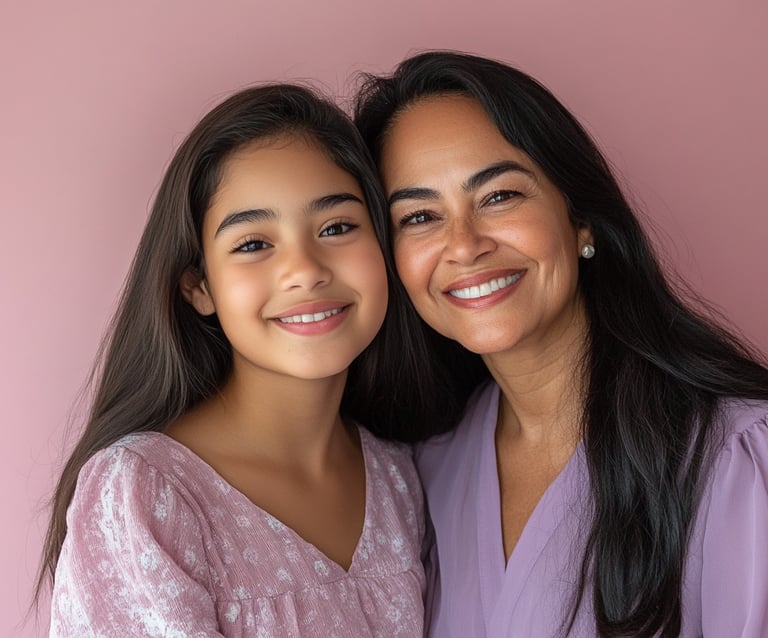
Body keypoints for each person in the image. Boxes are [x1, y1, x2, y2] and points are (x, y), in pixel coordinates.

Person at [354, 51, 768, 637]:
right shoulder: (427, 470)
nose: (464, 245)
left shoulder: (734, 459)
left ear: (581, 220)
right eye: (419, 216)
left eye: (499, 196)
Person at [36, 84, 425, 637]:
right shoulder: (144, 494)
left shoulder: (403, 479)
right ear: (199, 286)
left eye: (337, 228)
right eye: (252, 244)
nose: (305, 270)